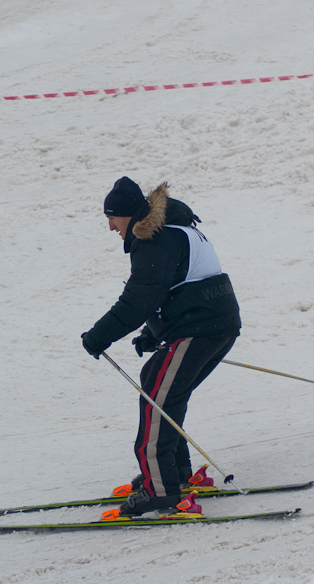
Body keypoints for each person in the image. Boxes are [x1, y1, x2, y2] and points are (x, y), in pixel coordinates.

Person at [81, 177, 241, 516]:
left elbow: (138, 299)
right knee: (158, 385)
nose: (110, 226)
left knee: (157, 401)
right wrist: (156, 332)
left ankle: (162, 491)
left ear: (128, 214)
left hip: (201, 329)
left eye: (112, 218)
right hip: (209, 324)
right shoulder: (169, 230)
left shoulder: (156, 239)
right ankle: (176, 473)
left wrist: (99, 335)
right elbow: (174, 286)